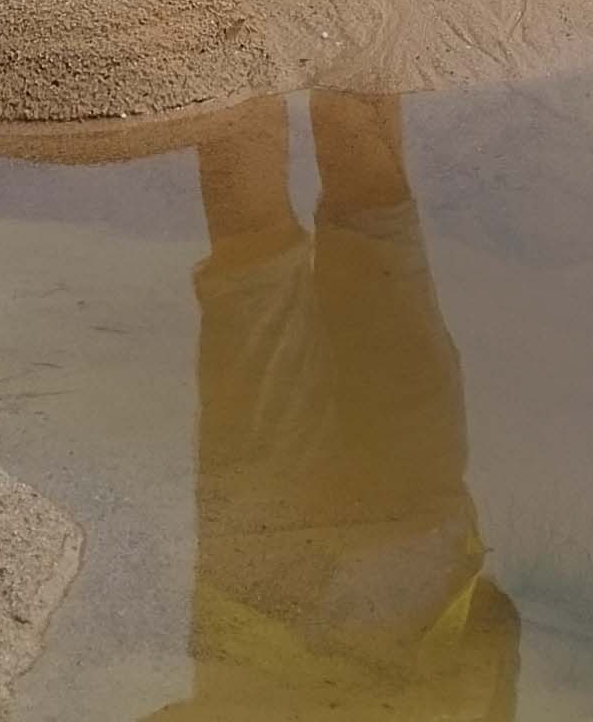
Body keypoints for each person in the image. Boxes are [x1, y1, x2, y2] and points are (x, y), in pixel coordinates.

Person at [146, 90, 523, 719]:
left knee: (355, 221)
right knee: (272, 254)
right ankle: (259, 43)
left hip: (379, 558)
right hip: (290, 581)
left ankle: (276, 40)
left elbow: (499, 626)